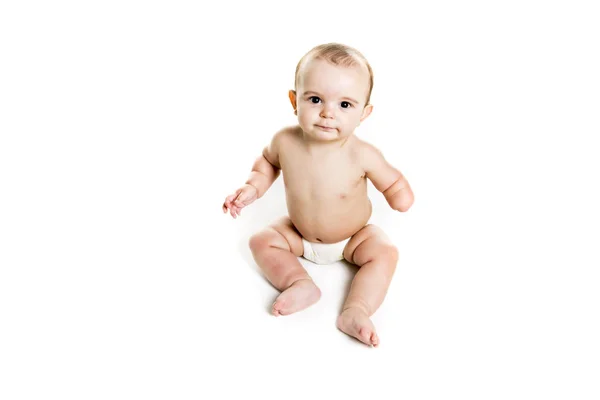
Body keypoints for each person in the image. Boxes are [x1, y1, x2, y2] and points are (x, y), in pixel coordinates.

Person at [222, 43, 414, 347]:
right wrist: (252, 187)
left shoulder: (363, 154)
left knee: (385, 253)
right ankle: (299, 283)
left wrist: (400, 196)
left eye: (345, 105)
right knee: (260, 240)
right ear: (294, 100)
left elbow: (393, 183)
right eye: (315, 99)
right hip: (298, 233)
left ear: (364, 113)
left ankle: (356, 309)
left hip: (353, 238)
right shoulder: (284, 141)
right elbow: (267, 164)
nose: (327, 113)